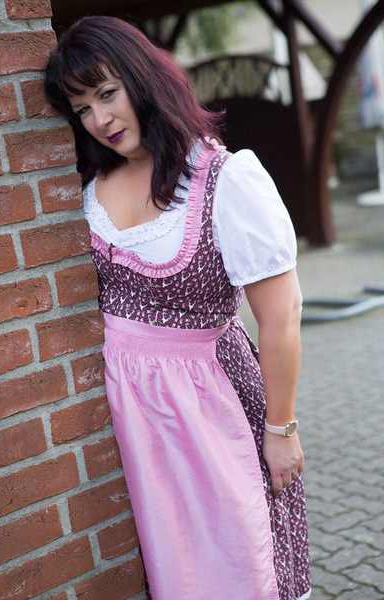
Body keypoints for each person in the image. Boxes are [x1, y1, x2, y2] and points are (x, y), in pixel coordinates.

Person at [45, 15, 311, 600]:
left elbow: (282, 317)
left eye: (107, 93)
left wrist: (282, 429)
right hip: (126, 414)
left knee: (233, 558)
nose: (100, 120)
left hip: (207, 405)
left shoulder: (224, 179)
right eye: (82, 108)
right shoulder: (87, 186)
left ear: (144, 78)